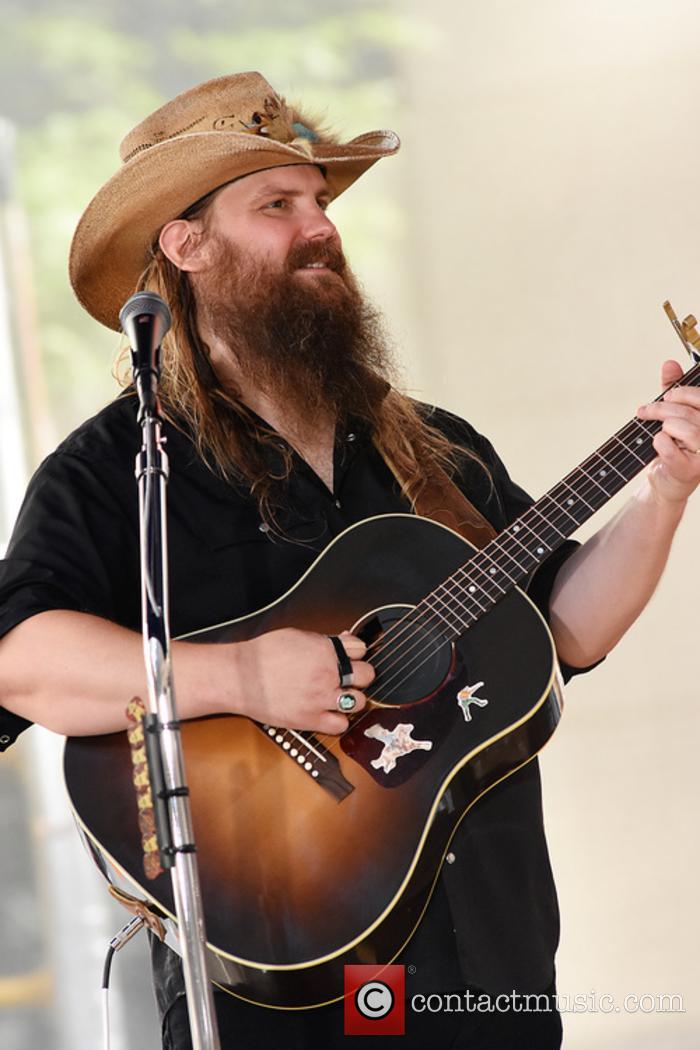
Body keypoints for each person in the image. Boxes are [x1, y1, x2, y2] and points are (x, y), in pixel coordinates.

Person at [0, 71, 699, 1050]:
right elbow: (22, 662)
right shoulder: (121, 469)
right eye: (277, 205)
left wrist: (665, 490)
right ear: (186, 244)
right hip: (273, 997)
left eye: (321, 202)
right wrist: (241, 674)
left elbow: (560, 632)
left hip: (485, 978)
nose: (319, 226)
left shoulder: (432, 450)